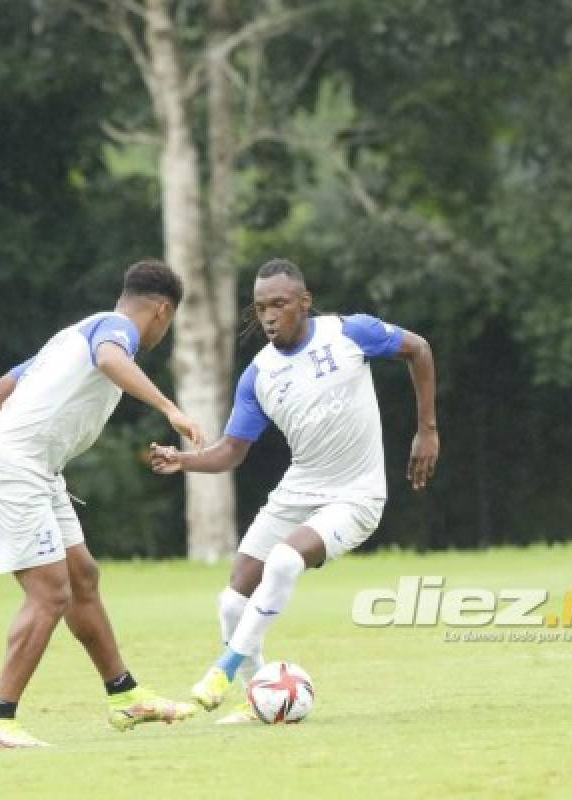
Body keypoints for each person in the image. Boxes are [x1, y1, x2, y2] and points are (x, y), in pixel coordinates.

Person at [150, 258, 439, 723]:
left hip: (356, 496)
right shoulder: (259, 375)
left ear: (304, 303)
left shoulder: (349, 334)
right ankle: (257, 698)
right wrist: (183, 460)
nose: (268, 316)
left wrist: (427, 430)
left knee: (284, 559)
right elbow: (230, 453)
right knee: (232, 600)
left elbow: (419, 349)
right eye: (260, 307)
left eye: (280, 304)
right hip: (300, 489)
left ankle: (222, 670)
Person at [0, 260, 202, 748]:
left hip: (36, 471)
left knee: (82, 579)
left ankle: (125, 696)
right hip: (13, 467)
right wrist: (168, 407)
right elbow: (110, 362)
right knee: (50, 593)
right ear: (163, 311)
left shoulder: (70, 335)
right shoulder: (115, 332)